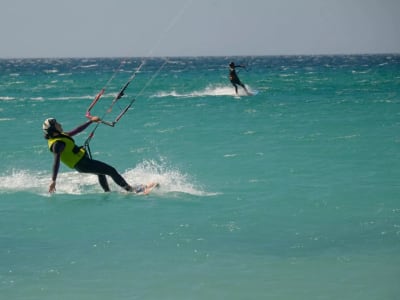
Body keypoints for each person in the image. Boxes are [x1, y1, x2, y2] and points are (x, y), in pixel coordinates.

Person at [43, 116, 145, 194]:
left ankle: (107, 192)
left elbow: (76, 130)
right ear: (53, 130)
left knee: (101, 173)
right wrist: (53, 180)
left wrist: (91, 121)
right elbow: (56, 162)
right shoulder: (58, 144)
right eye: (57, 124)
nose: (60, 124)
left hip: (83, 161)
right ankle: (131, 190)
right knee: (111, 170)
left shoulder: (61, 135)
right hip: (82, 164)